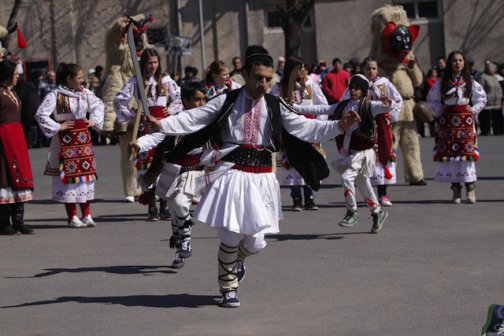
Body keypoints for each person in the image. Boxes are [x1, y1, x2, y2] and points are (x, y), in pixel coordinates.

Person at [144, 45, 360, 308]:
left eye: (268, 79)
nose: (263, 84)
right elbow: (194, 118)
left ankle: (236, 262)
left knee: (257, 242)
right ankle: (228, 289)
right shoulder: (228, 100)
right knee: (231, 236)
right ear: (246, 74)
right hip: (231, 173)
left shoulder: (274, 104)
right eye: (258, 77)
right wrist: (162, 125)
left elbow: (306, 127)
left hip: (263, 177)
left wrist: (339, 126)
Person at [134, 81, 207, 269]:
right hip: (173, 171)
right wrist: (140, 144)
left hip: (195, 173)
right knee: (175, 210)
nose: (201, 103)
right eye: (197, 100)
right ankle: (179, 245)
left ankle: (185, 241)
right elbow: (157, 135)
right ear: (185, 101)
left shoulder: (208, 121)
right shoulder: (176, 120)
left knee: (181, 204)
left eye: (203, 99)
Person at [114, 48, 183, 221]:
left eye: (155, 62)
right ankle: (152, 206)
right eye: (149, 62)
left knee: (166, 163)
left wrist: (171, 109)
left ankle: (164, 206)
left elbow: (178, 99)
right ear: (143, 64)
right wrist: (132, 115)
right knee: (147, 165)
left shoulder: (166, 80)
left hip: (165, 124)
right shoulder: (136, 81)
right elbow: (119, 99)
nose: (153, 66)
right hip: (146, 125)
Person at [35, 63, 104, 227]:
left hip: (82, 139)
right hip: (65, 141)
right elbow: (40, 114)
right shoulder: (56, 95)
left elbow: (99, 105)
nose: (82, 81)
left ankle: (87, 214)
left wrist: (92, 121)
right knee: (69, 177)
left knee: (85, 176)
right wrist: (58, 126)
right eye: (79, 78)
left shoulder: (85, 93)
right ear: (69, 79)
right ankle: (72, 216)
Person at [427, 50, 487, 204]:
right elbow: (431, 98)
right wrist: (440, 111)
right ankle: (456, 189)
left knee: (466, 154)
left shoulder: (469, 81)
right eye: (454, 61)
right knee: (451, 156)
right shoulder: (442, 82)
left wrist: (472, 110)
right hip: (447, 122)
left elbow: (482, 97)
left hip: (465, 122)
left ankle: (470, 187)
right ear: (450, 63)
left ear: (464, 63)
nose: (458, 63)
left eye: (460, 60)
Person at [271, 57, 328, 211]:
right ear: (291, 70)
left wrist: (320, 126)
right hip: (289, 133)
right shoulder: (280, 88)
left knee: (309, 162)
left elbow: (322, 106)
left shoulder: (311, 85)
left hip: (309, 131)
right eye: (299, 68)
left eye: (304, 67)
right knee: (292, 164)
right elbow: (271, 107)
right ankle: (296, 197)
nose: (303, 71)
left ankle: (309, 197)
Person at [360, 57, 402, 207]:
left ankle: (383, 194)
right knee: (367, 159)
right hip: (365, 126)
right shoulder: (358, 84)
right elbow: (346, 99)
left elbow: (397, 99)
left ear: (377, 70)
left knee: (383, 154)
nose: (371, 71)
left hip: (382, 124)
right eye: (368, 68)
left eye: (373, 68)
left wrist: (391, 112)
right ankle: (370, 195)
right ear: (363, 69)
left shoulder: (384, 83)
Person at [0, 60, 35, 235]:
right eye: (14, 74)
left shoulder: (11, 92)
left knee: (19, 175)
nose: (17, 76)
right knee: (5, 177)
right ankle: (4, 222)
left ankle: (19, 220)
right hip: (3, 139)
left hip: (16, 138)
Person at [16, 69, 44, 148]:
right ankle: (39, 142)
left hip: (29, 110)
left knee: (28, 127)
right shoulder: (33, 87)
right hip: (35, 109)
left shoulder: (26, 87)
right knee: (37, 127)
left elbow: (20, 98)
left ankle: (30, 143)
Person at [478, 62, 503, 135]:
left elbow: (499, 88)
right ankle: (486, 131)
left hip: (497, 101)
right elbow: (480, 89)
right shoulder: (483, 77)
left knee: (496, 117)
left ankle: (497, 130)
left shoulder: (495, 77)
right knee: (486, 117)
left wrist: (500, 96)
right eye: (493, 68)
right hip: (488, 101)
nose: (495, 70)